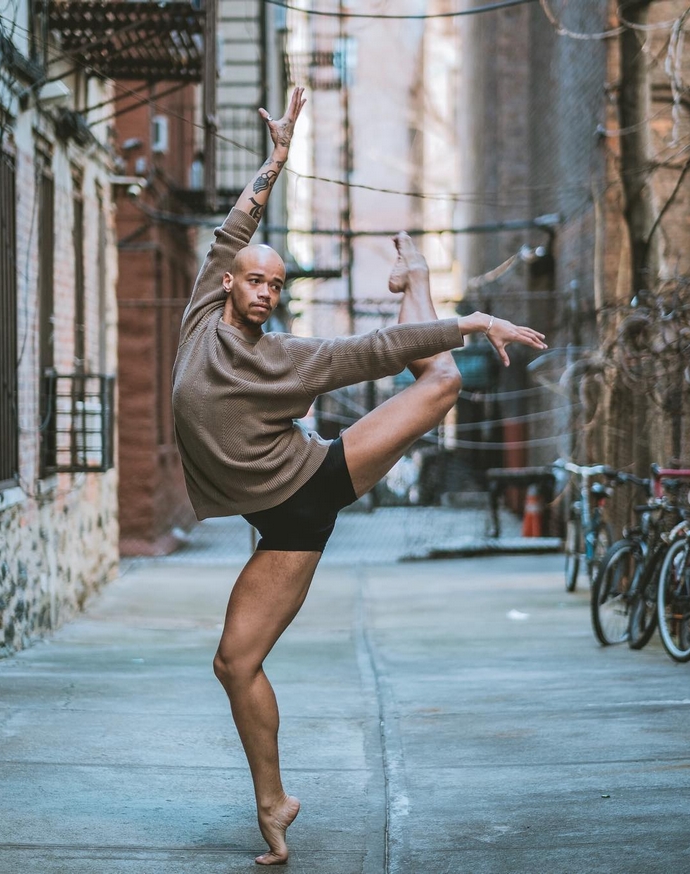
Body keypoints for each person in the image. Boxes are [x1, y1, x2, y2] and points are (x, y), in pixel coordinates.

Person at [172, 87, 547, 865]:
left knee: (440, 384)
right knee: (233, 663)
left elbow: (374, 353)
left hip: (304, 496)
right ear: (229, 283)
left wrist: (472, 321)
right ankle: (273, 804)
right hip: (268, 503)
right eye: (255, 279)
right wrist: (275, 161)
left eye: (277, 285)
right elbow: (235, 224)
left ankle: (416, 280)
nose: (266, 292)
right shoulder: (201, 313)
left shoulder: (288, 357)